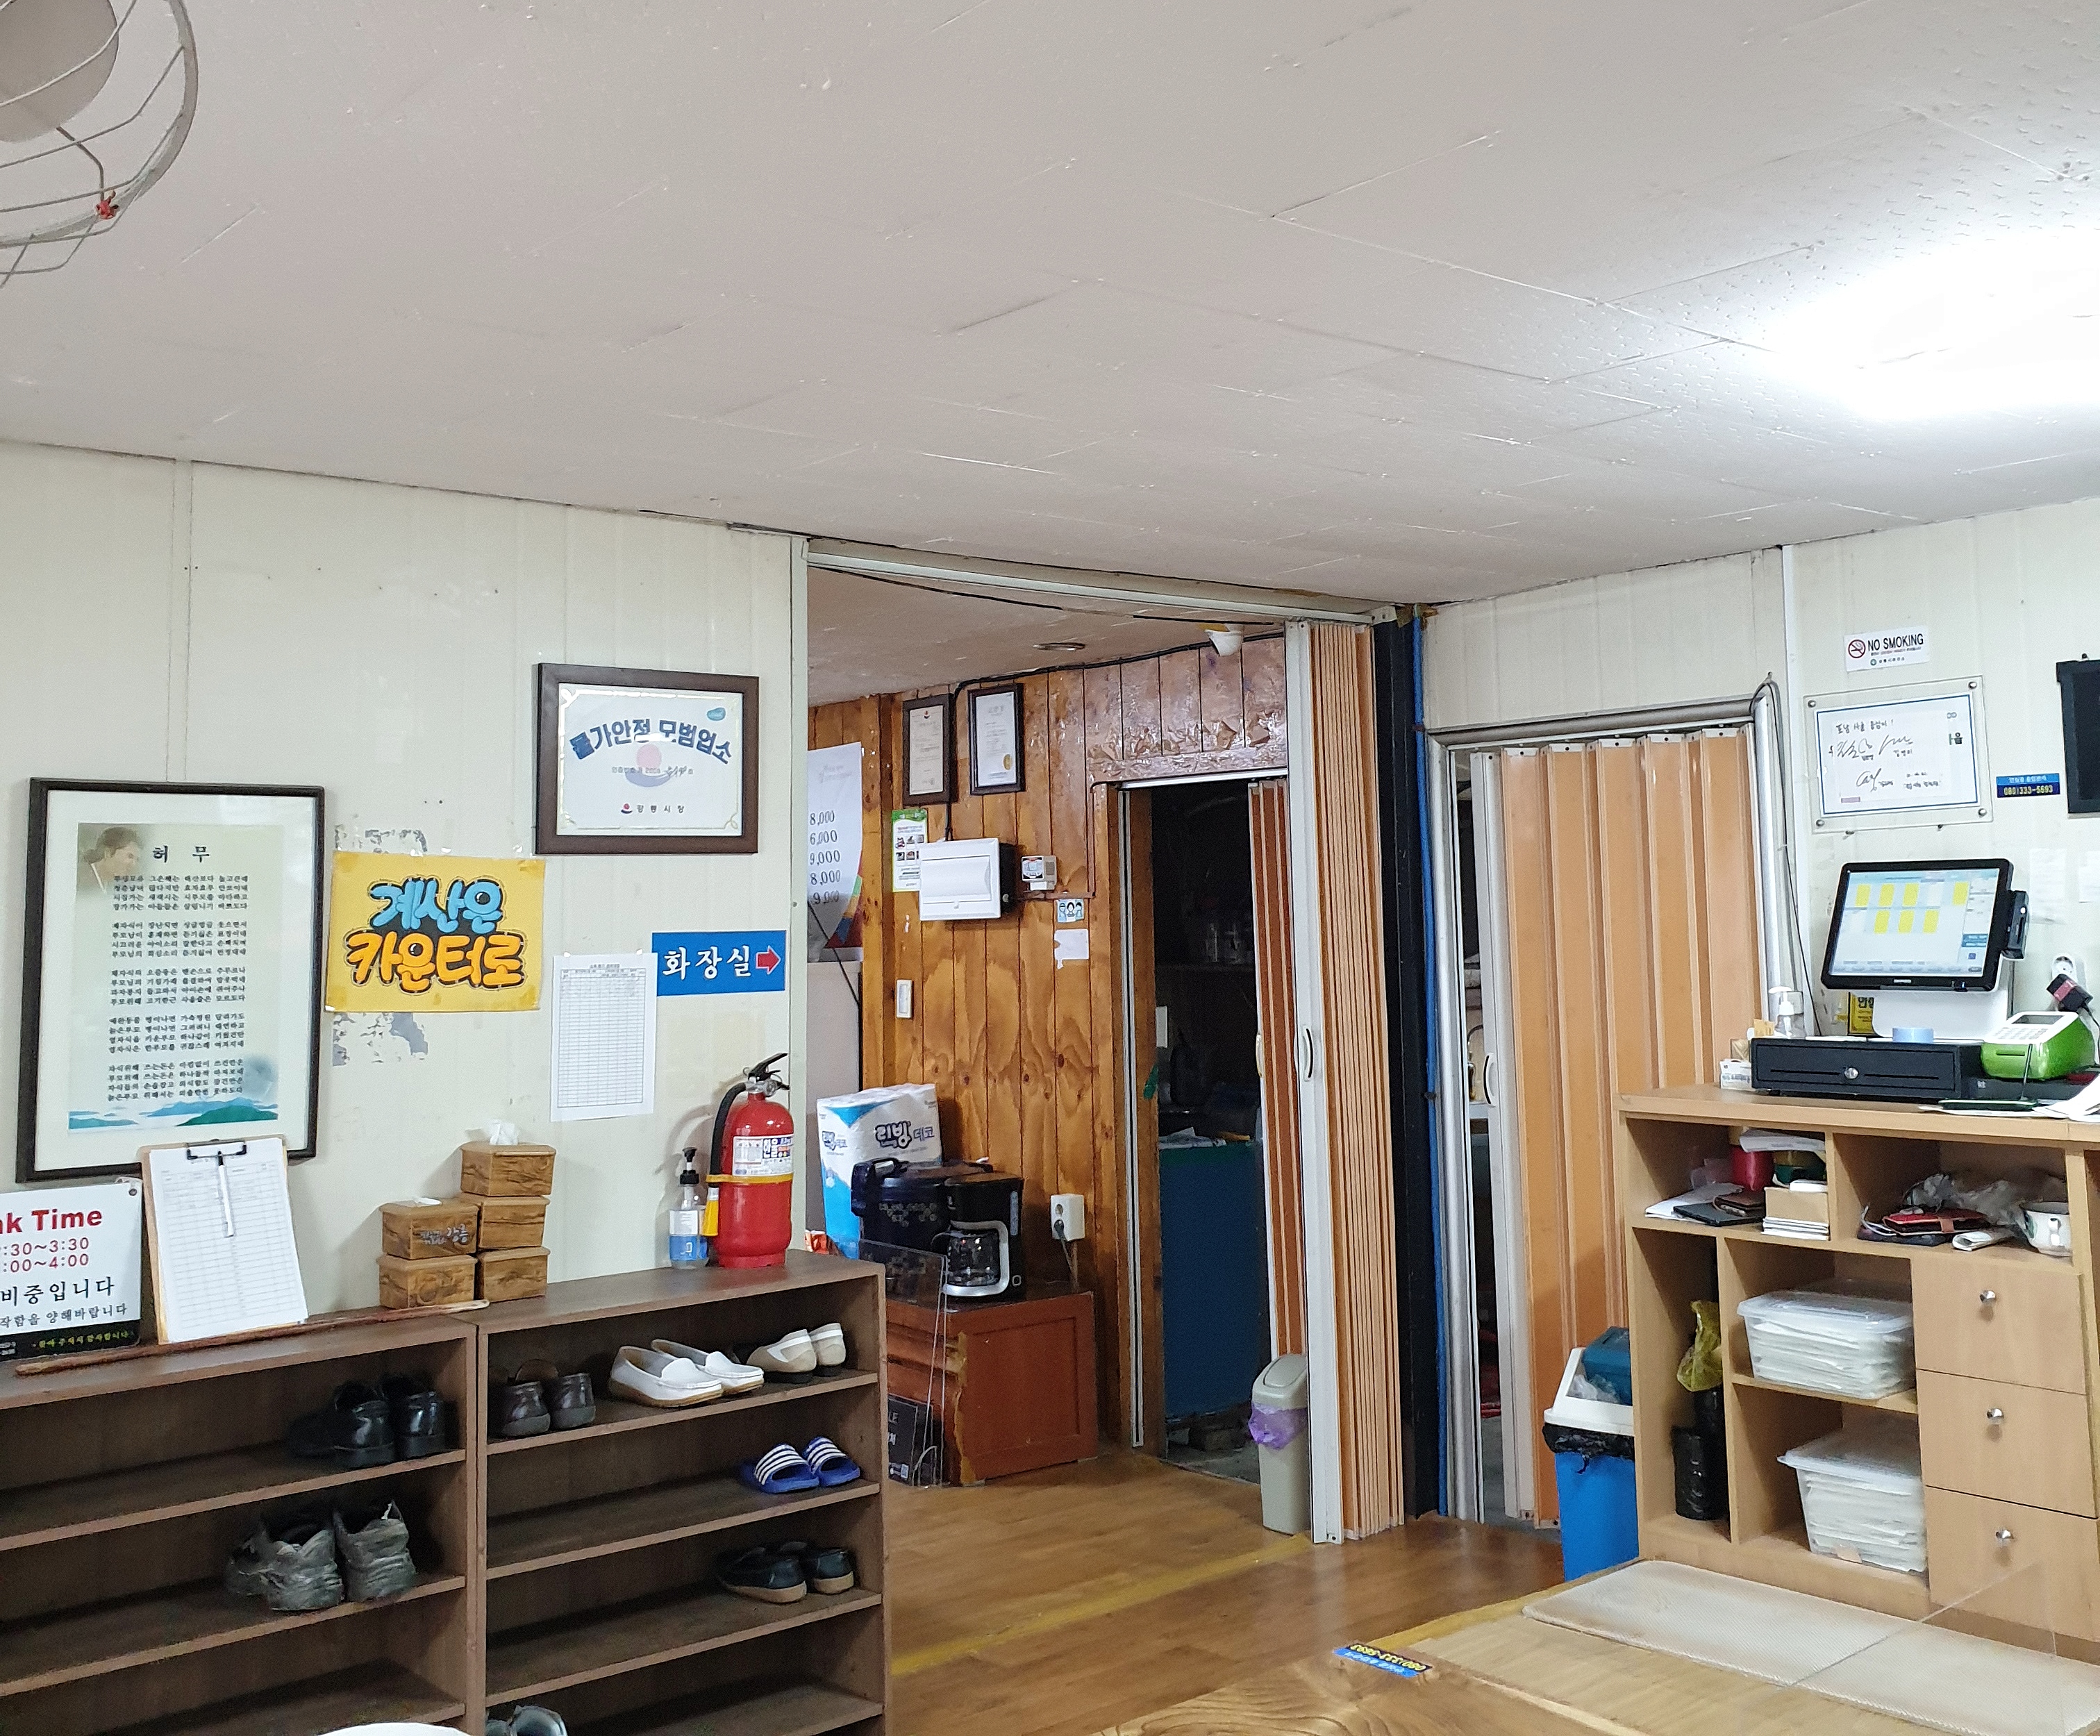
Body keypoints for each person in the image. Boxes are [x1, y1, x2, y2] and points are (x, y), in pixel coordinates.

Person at [82, 826, 142, 892]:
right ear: (108, 853)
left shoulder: (109, 885)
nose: (134, 865)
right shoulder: (81, 879)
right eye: (130, 856)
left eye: (137, 860)